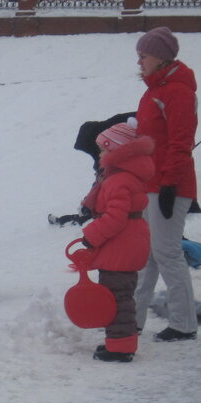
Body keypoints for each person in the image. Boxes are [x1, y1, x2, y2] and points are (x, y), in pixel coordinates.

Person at [131, 27, 199, 343]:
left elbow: (180, 141)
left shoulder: (177, 91)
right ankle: (132, 320)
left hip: (170, 185)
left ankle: (184, 323)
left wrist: (170, 183)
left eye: (143, 55)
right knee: (146, 254)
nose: (139, 60)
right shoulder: (153, 91)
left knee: (167, 253)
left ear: (160, 56)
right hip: (151, 184)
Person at [75, 121, 154, 362]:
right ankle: (119, 341)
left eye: (103, 149)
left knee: (117, 297)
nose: (99, 154)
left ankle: (120, 347)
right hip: (125, 243)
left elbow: (116, 217)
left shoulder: (119, 180)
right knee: (120, 294)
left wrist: (91, 235)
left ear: (117, 151)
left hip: (121, 245)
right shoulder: (123, 176)